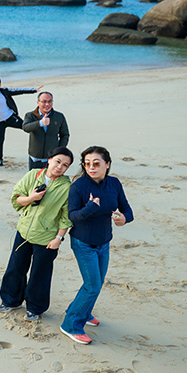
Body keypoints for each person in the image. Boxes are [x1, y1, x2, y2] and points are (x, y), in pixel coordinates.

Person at [60, 146, 134, 345]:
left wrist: (124, 218)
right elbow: (72, 216)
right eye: (87, 164)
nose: (91, 167)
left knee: (97, 283)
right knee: (92, 286)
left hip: (104, 242)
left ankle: (82, 311)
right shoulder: (78, 186)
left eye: (96, 163)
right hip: (83, 243)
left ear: (107, 164)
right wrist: (90, 208)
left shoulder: (114, 183)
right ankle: (71, 325)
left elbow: (127, 209)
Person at [0, 147, 74, 321]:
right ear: (49, 159)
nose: (60, 167)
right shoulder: (33, 175)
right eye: (58, 161)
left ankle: (35, 307)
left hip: (47, 238)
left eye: (65, 165)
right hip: (24, 231)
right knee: (15, 267)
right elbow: (16, 198)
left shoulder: (67, 187)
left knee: (40, 274)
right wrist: (31, 198)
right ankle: (10, 300)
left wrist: (58, 238)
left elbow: (66, 217)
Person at [0, 76, 37, 166]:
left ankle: (40, 136)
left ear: (0, 85)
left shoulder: (4, 92)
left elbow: (18, 91)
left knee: (26, 127)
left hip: (10, 117)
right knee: (0, 140)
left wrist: (33, 90)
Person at [22, 92, 70, 170]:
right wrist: (40, 123)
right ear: (38, 102)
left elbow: (65, 135)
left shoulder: (59, 116)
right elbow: (25, 127)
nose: (47, 104)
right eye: (44, 102)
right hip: (35, 158)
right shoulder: (30, 115)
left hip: (52, 158)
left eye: (49, 101)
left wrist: (59, 150)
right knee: (34, 177)